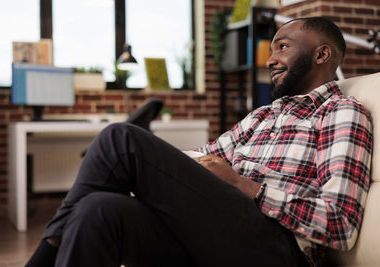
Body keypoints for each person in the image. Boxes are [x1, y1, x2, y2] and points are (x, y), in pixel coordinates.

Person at [26, 17, 372, 267]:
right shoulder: (264, 116)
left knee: (121, 138)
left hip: (277, 247)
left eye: (282, 47)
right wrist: (157, 168)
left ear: (321, 55)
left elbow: (340, 224)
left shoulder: (341, 112)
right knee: (97, 210)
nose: (270, 59)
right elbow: (203, 158)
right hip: (220, 232)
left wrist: (245, 186)